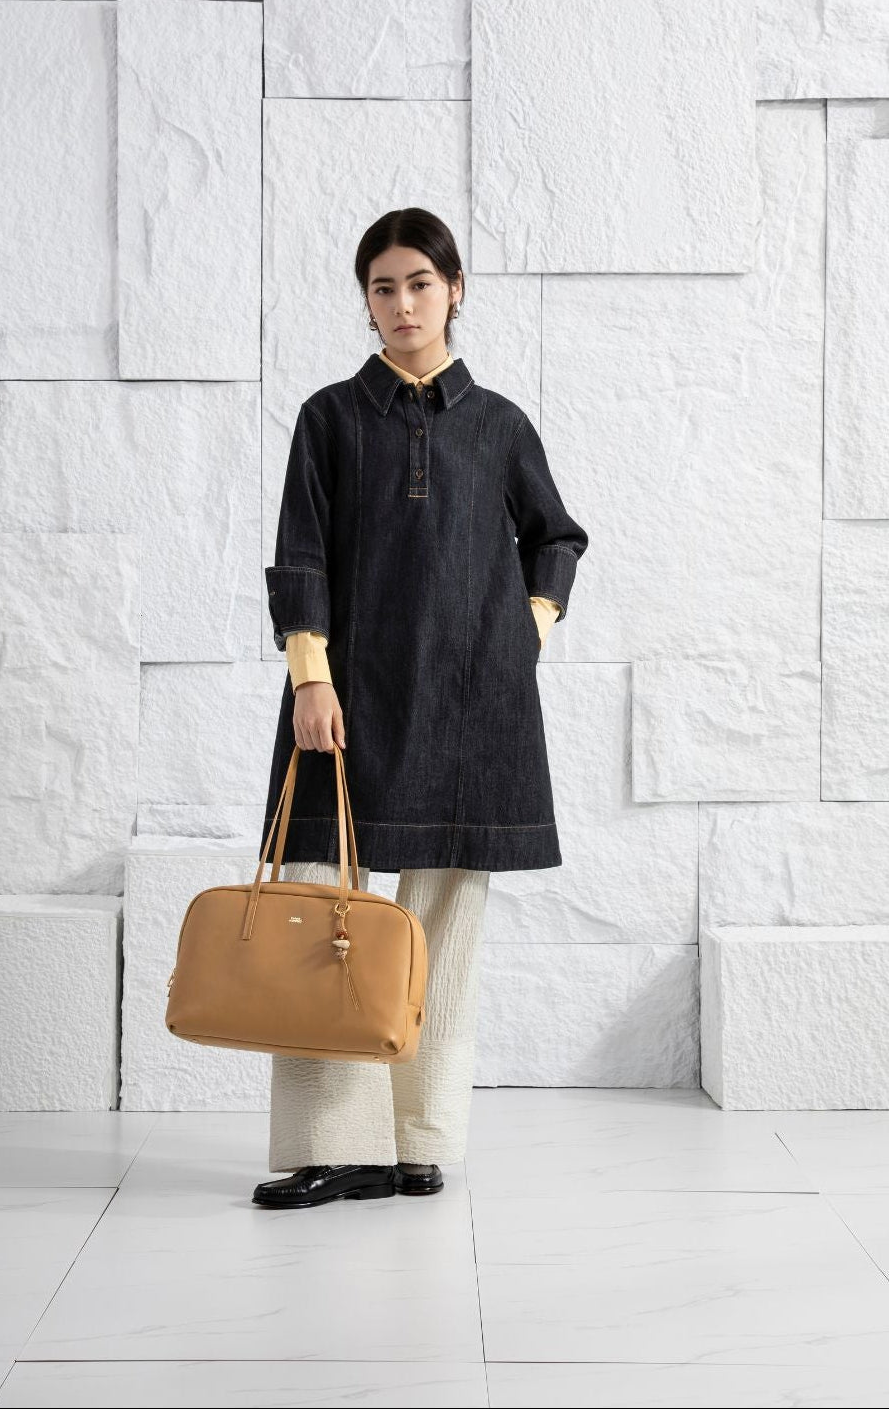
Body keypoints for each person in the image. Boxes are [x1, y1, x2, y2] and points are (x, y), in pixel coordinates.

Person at [252, 207, 589, 1208]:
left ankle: (416, 1142)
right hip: (347, 701)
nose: (402, 303)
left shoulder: (498, 426)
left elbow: (556, 536)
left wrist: (527, 628)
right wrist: (309, 677)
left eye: (419, 283)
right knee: (320, 913)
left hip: (471, 705)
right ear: (366, 301)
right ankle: (331, 1144)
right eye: (383, 287)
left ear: (454, 290)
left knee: (442, 929)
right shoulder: (328, 418)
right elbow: (299, 555)